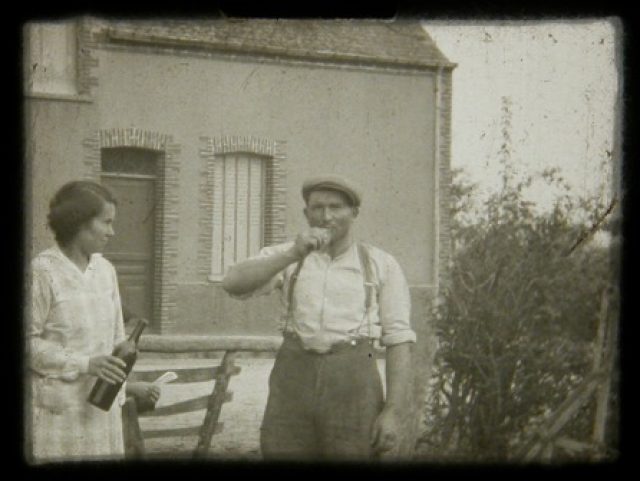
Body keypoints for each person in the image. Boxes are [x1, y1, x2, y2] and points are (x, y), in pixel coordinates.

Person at [222, 174, 416, 461]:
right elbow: (232, 283)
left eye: (336, 207)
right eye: (317, 208)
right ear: (306, 213)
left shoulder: (380, 264)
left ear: (354, 213)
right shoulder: (289, 255)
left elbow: (399, 340)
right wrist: (291, 254)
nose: (326, 216)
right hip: (293, 380)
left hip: (353, 384)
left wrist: (392, 411)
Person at [28, 180, 130, 462]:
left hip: (102, 412)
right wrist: (85, 363)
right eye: (106, 222)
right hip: (59, 416)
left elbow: (117, 339)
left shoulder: (106, 271)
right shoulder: (42, 272)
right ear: (79, 222)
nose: (112, 232)